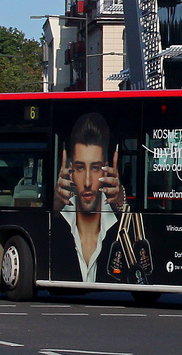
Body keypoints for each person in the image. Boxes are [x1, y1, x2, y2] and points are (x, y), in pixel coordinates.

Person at [50, 113, 127, 282]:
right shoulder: (55, 226)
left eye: (95, 168)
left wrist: (122, 205)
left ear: (107, 170)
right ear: (69, 170)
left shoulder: (121, 229)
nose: (86, 182)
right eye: (79, 168)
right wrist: (54, 211)